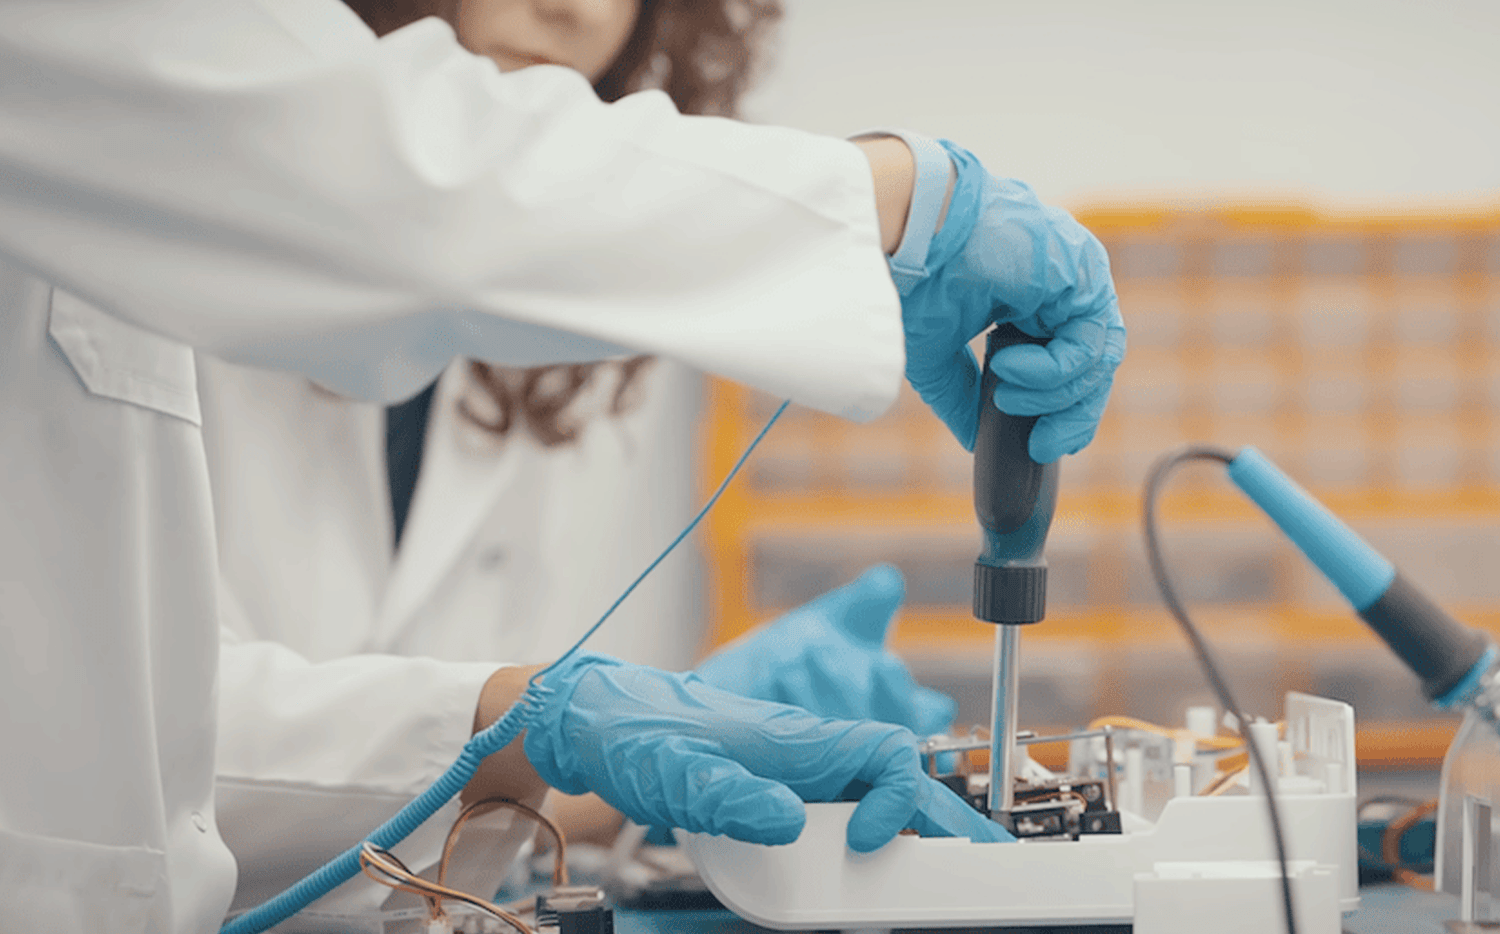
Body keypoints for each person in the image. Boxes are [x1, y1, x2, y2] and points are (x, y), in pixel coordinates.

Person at [0, 2, 1124, 932]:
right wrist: (893, 199)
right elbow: (397, 188)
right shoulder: (197, 186)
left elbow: (137, 735)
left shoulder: (564, 353)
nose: (574, 8)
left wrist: (518, 723)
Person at [201, 0, 960, 911]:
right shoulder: (159, 239)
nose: (577, 9)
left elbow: (445, 785)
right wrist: (548, 728)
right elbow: (129, 749)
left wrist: (689, 742)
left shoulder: (537, 365)